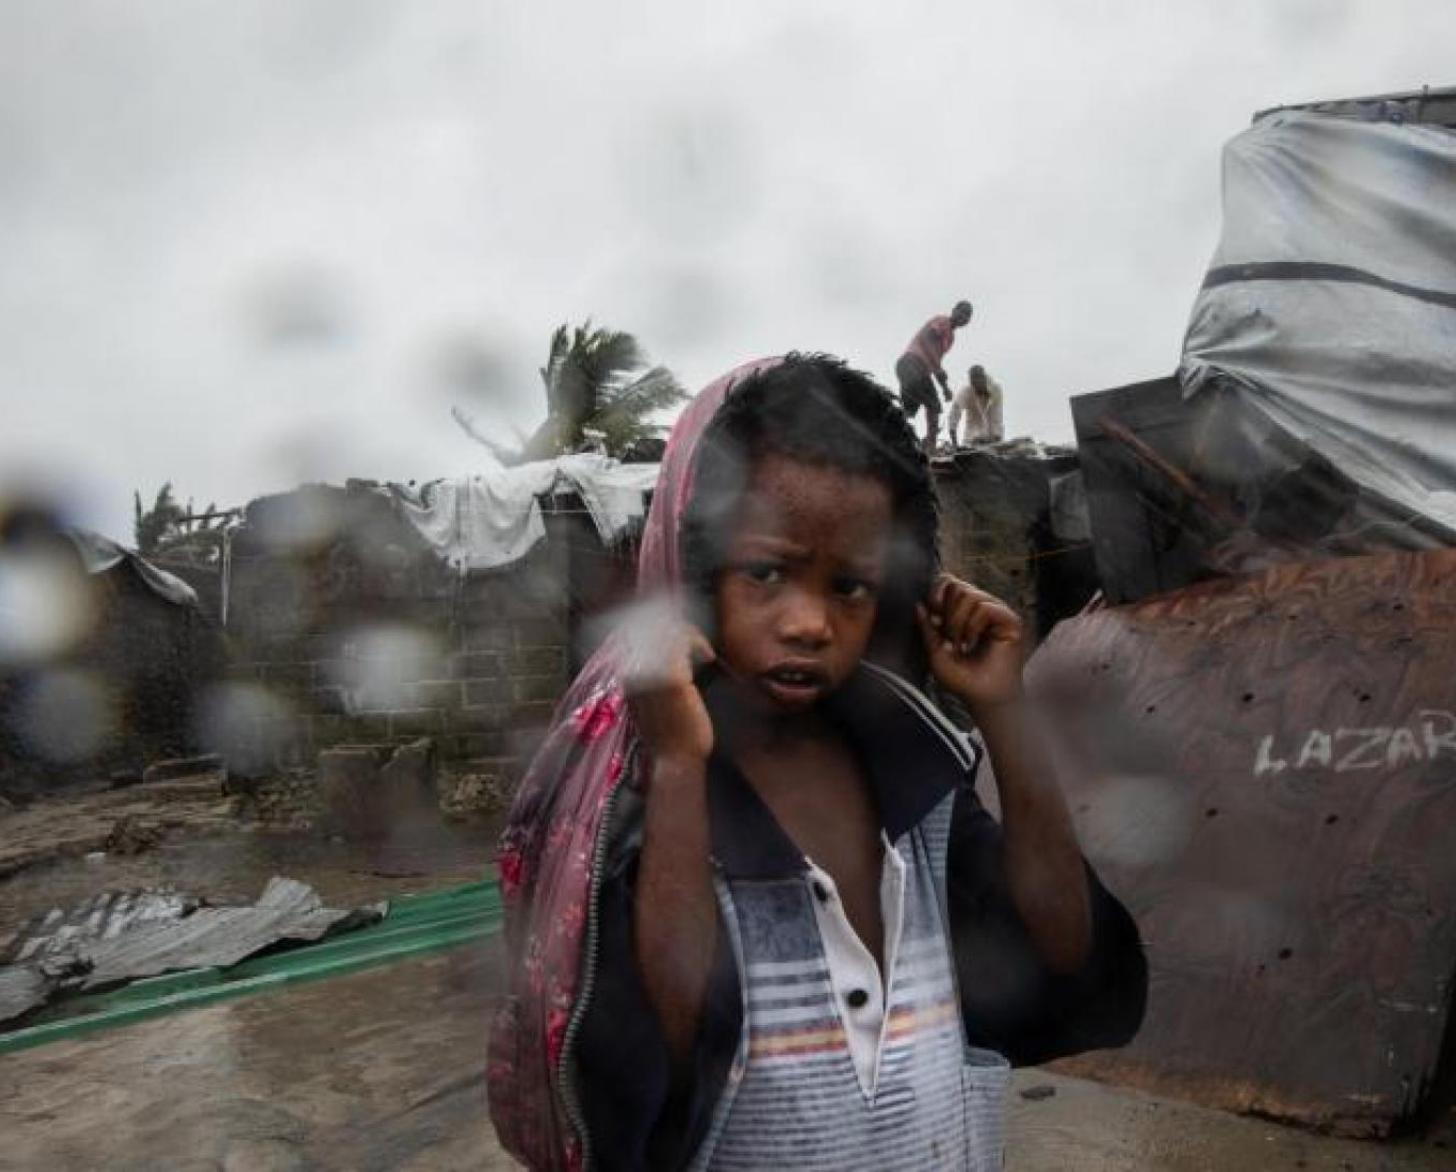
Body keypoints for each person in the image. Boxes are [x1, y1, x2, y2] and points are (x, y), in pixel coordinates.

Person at [488, 354, 1146, 1171]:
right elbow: (658, 1048)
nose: (809, 623)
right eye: (765, 573)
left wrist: (1003, 711)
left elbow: (1059, 948)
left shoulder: (914, 772)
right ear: (693, 572)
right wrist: (681, 768)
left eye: (851, 587)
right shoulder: (638, 790)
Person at [895, 300, 973, 453]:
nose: (963, 317)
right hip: (912, 363)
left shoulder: (950, 339)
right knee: (934, 406)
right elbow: (926, 339)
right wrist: (938, 370)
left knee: (908, 410)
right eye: (962, 312)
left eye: (967, 316)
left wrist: (945, 388)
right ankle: (931, 449)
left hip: (918, 371)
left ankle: (894, 436)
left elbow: (935, 363)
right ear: (954, 310)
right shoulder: (942, 321)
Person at [948, 364, 1004, 448]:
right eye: (972, 382)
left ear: (983, 378)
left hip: (993, 440)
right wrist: (954, 444)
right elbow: (954, 414)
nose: (975, 385)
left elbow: (996, 416)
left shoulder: (996, 390)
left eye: (978, 380)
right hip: (971, 439)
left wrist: (996, 438)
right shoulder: (965, 392)